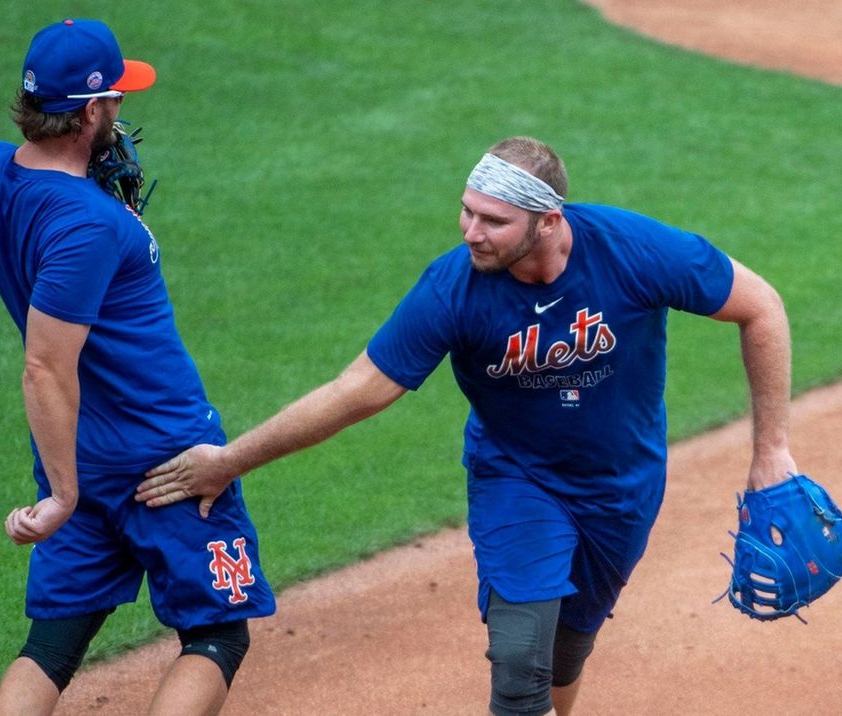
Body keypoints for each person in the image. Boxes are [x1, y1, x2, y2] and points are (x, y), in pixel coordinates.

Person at [135, 136, 798, 716]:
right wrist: (230, 460)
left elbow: (760, 307)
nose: (470, 231)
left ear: (547, 220)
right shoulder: (452, 288)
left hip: (622, 486)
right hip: (519, 478)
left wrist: (771, 452)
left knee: (568, 648)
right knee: (518, 660)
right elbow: (356, 390)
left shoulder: (633, 250)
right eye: (467, 210)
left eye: (493, 221)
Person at [0, 18, 274, 716]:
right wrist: (63, 499)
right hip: (165, 453)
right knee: (218, 634)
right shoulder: (91, 225)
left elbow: (33, 209)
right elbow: (45, 365)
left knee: (52, 644)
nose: (123, 112)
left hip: (75, 447)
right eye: (116, 100)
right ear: (91, 110)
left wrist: (67, 483)